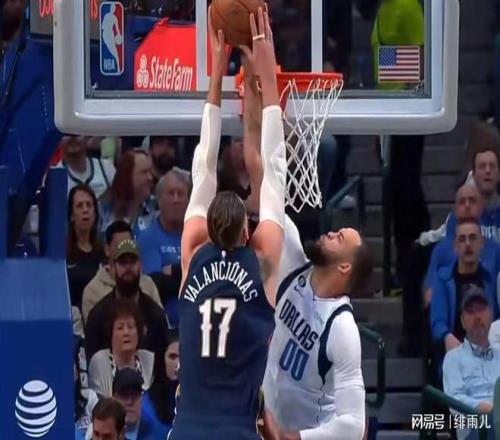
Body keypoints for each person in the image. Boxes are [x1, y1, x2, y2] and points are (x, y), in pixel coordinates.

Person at [168, 7, 286, 440]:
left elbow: (203, 166)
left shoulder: (193, 251)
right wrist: (267, 74)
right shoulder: (264, 258)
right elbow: (274, 169)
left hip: (187, 429)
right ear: (248, 233)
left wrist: (217, 75)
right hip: (235, 430)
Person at [85, 239, 169, 361]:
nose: (128, 267)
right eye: (123, 262)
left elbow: (162, 364)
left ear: (141, 267)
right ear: (113, 268)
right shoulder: (98, 316)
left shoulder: (156, 315)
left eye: (132, 262)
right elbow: (93, 363)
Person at [431, 219, 499, 351]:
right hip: (454, 351)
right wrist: (446, 337)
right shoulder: (443, 279)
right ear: (455, 246)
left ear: (482, 243)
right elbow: (438, 323)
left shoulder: (490, 279)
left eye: (472, 238)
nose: (468, 244)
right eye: (462, 239)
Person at [443, 286, 499, 440]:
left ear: (491, 316)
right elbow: (454, 401)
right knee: (490, 421)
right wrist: (486, 408)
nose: (477, 316)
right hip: (474, 428)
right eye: (471, 312)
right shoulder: (453, 358)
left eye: (481, 310)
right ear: (462, 321)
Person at [82, 220, 161, 324]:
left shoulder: (148, 285)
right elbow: (93, 330)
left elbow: (161, 323)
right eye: (119, 245)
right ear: (107, 249)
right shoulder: (92, 291)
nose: (124, 249)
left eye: (128, 244)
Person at [88, 299, 154, 398]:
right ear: (111, 333)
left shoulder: (150, 360)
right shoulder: (99, 361)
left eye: (130, 327)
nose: (126, 332)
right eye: (120, 328)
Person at [99, 150, 156, 238]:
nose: (150, 178)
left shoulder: (156, 207)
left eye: (150, 172)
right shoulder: (102, 208)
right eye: (144, 172)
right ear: (127, 175)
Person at [67, 185, 106, 311]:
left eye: (89, 205)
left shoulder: (104, 253)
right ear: (71, 216)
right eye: (79, 206)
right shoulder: (63, 255)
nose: (85, 210)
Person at [141, 330, 179, 436]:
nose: (178, 363)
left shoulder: (198, 402)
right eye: (173, 357)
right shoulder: (146, 406)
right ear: (162, 359)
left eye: (183, 357)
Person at [58, 136, 116, 200]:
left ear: (87, 138)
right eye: (67, 134)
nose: (72, 137)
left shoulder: (106, 167)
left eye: (77, 134)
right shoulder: (53, 175)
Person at [112, 368, 163, 440]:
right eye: (124, 395)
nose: (129, 402)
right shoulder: (101, 431)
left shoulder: (157, 434)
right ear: (114, 399)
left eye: (135, 395)